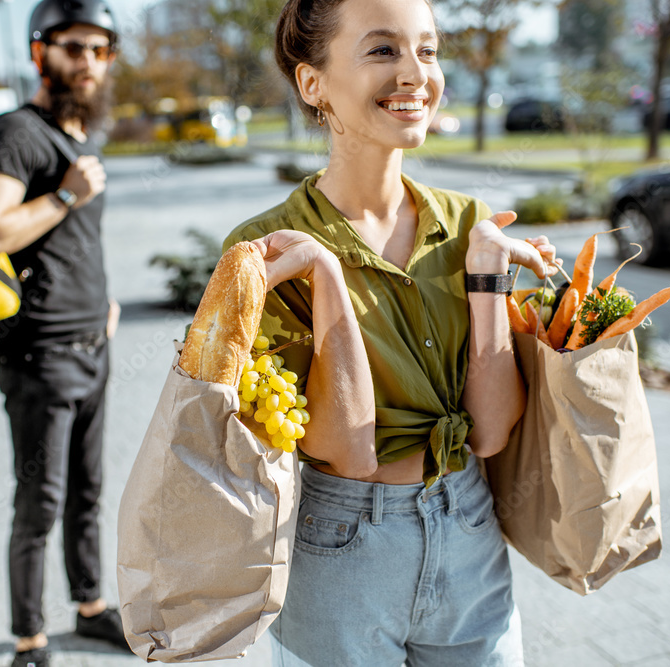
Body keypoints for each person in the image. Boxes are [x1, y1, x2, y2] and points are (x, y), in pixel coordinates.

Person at [223, 0, 559, 664]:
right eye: (383, 50)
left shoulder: (471, 223)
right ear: (312, 83)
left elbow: (490, 432)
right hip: (338, 551)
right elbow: (346, 450)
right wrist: (327, 280)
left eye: (427, 51)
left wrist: (487, 274)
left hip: (468, 530)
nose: (415, 74)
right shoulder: (265, 250)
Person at [0, 1, 124, 665]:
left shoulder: (80, 136)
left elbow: (77, 243)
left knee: (88, 490)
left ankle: (88, 606)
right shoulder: (16, 134)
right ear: (41, 54)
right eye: (72, 47)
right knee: (41, 502)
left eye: (98, 49)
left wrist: (104, 301)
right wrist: (63, 195)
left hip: (93, 343)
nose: (86, 62)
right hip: (41, 354)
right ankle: (29, 638)